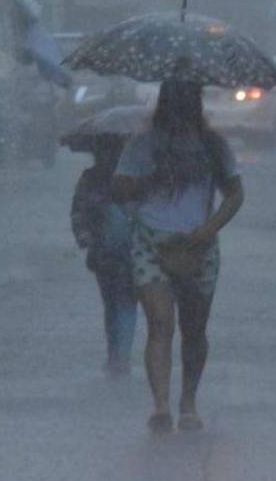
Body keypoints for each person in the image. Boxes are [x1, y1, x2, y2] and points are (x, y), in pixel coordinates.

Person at [113, 80, 244, 433]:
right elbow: (119, 187)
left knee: (194, 328)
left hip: (199, 244)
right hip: (151, 242)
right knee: (159, 323)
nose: (182, 109)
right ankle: (160, 405)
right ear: (164, 105)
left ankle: (188, 401)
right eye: (176, 102)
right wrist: (151, 178)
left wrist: (209, 228)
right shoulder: (144, 144)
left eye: (189, 102)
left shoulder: (213, 146)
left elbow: (234, 194)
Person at [71, 137, 137, 376]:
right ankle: (118, 355)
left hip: (121, 253)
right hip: (112, 254)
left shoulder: (99, 178)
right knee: (118, 304)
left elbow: (78, 213)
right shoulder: (93, 179)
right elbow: (79, 213)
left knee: (120, 303)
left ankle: (119, 356)